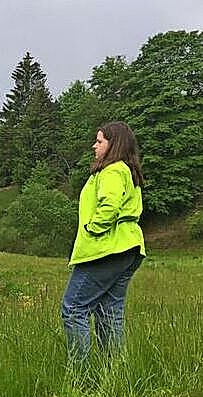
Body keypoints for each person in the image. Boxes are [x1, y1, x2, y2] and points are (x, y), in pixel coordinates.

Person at [61, 121, 145, 368]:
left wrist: (93, 228)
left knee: (73, 308)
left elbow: (109, 206)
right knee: (109, 312)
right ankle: (115, 376)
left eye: (99, 141)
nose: (94, 146)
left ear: (113, 145)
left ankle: (81, 377)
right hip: (127, 248)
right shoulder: (125, 170)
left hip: (107, 248)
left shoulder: (112, 171)